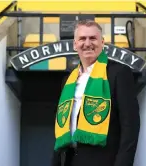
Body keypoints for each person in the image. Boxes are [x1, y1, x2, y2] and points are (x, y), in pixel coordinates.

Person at [51, 19, 140, 166]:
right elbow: (60, 127)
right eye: (82, 39)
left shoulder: (118, 73)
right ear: (75, 44)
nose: (87, 43)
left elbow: (130, 127)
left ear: (102, 42)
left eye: (93, 38)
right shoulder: (68, 80)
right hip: (70, 160)